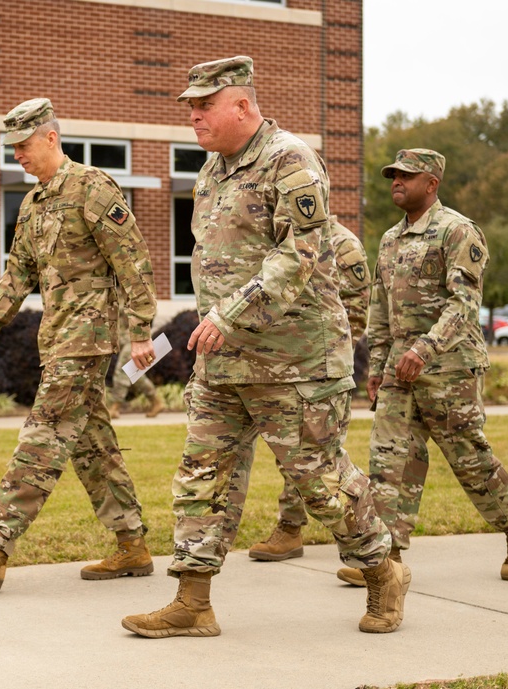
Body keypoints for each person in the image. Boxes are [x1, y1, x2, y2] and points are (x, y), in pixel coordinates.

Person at [121, 56, 408, 639]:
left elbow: (299, 254)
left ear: (243, 106)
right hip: (223, 361)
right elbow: (214, 262)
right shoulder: (211, 172)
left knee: (318, 481)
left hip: (295, 360)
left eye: (204, 107)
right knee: (200, 475)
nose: (194, 118)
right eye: (190, 108)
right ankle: (192, 603)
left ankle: (382, 571)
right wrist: (202, 324)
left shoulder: (292, 160)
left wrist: (231, 313)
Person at [0, 98, 159, 590]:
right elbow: (17, 275)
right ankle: (132, 545)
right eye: (11, 146)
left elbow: (134, 261)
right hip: (57, 338)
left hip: (90, 336)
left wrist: (141, 331)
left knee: (44, 434)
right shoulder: (32, 205)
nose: (16, 154)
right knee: (92, 445)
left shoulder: (93, 187)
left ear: (51, 137)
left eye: (23, 144)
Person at [335, 149, 508, 587]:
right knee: (390, 461)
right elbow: (381, 309)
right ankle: (383, 560)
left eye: (407, 176)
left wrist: (425, 349)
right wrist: (377, 364)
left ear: (432, 183)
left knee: (469, 460)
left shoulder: (458, 232)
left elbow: (463, 303)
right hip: (399, 372)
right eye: (393, 175)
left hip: (449, 370)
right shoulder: (391, 239)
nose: (396, 182)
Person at [248, 217, 371, 561]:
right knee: (293, 454)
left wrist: (330, 355)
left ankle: (366, 541)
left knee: (319, 459)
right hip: (283, 361)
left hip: (321, 364)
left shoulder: (344, 243)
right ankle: (292, 529)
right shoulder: (277, 238)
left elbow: (357, 309)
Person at [109, 292, 166, 419]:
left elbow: (148, 312)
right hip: (123, 338)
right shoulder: (117, 290)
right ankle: (155, 401)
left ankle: (115, 406)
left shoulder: (139, 291)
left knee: (123, 370)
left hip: (136, 338)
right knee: (133, 372)